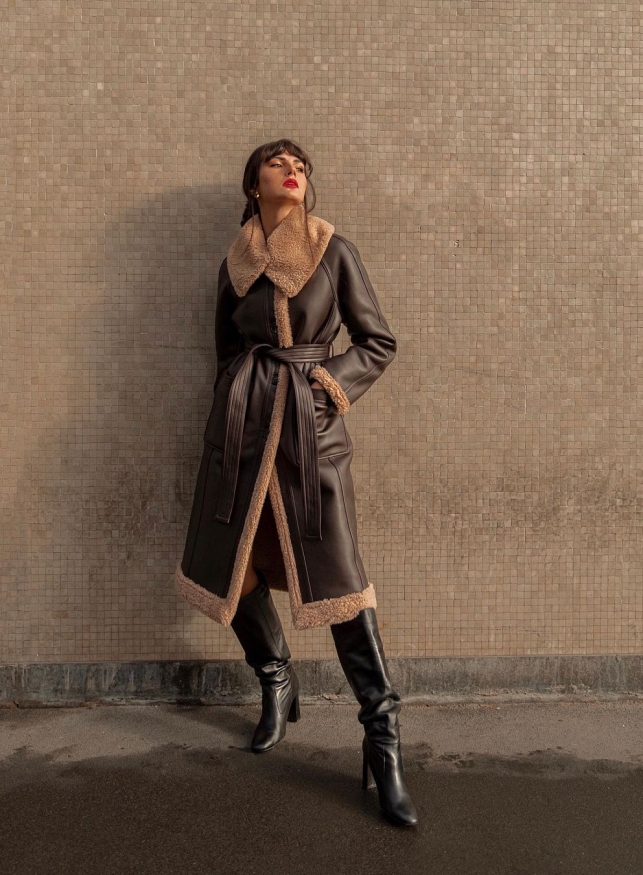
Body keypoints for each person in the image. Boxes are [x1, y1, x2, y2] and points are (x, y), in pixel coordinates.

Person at [174, 139, 417, 827]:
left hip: (311, 437)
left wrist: (326, 385)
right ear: (252, 184)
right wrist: (231, 408)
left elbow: (377, 341)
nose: (294, 170)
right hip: (242, 432)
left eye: (302, 165)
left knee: (338, 583)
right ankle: (276, 678)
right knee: (232, 565)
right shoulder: (235, 262)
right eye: (278, 163)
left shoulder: (334, 252)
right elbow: (226, 351)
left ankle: (382, 739)